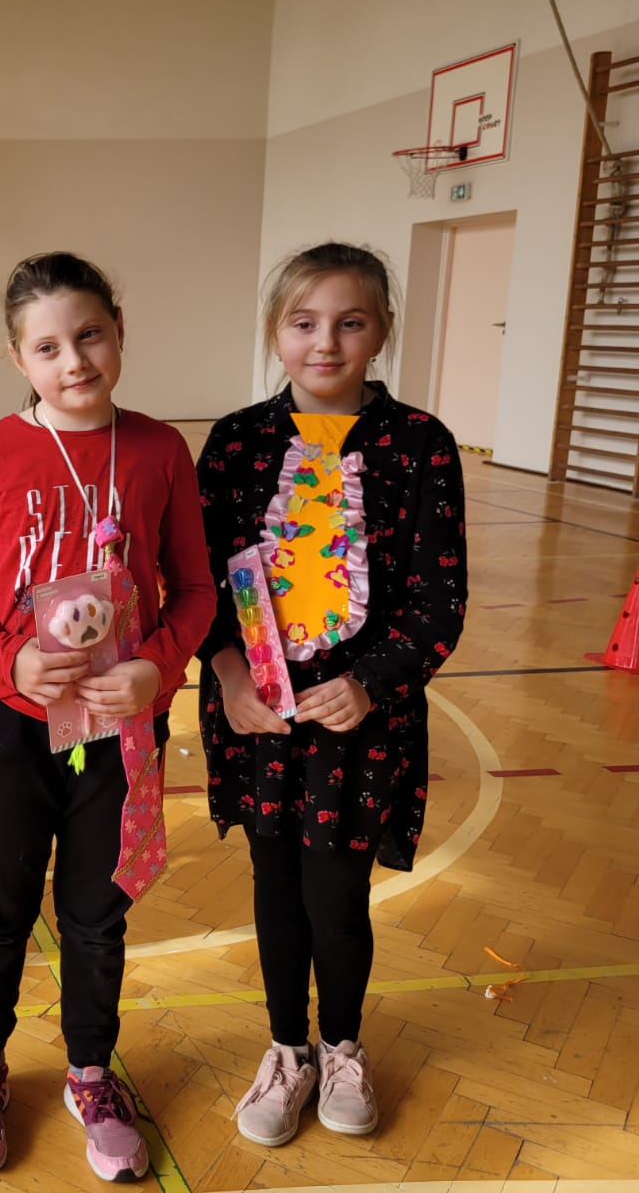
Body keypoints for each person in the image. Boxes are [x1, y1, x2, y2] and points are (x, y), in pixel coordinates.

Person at [0, 252, 216, 1181]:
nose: (74, 360)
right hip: (10, 725)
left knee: (96, 915)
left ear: (119, 331)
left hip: (120, 727)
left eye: (89, 335)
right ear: (18, 359)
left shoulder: (160, 450)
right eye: (47, 347)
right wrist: (6, 659)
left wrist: (156, 671)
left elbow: (198, 590)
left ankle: (92, 1073)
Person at [195, 242, 467, 1147]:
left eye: (350, 323)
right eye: (303, 323)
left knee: (337, 895)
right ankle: (288, 1050)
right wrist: (229, 674)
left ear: (381, 331)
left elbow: (439, 599)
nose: (325, 343)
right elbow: (196, 583)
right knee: (276, 884)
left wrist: (371, 683)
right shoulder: (236, 441)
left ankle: (343, 1046)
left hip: (362, 722)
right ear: (275, 332)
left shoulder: (421, 444)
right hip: (257, 715)